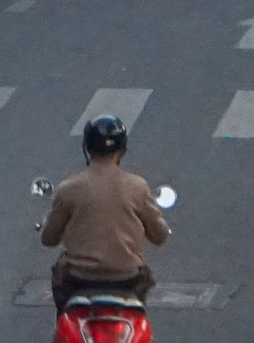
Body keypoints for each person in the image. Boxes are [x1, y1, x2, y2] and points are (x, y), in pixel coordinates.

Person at [40, 115, 170, 313]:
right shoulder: (137, 187)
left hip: (78, 278)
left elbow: (49, 239)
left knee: (64, 302)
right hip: (127, 278)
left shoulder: (69, 188)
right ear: (122, 149)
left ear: (88, 148)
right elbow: (159, 236)